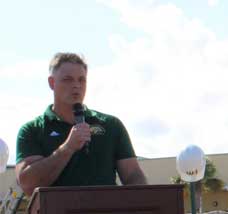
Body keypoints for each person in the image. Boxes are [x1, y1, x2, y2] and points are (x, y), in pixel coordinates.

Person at [15, 52, 147, 196]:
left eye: (81, 80)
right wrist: (67, 148)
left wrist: (141, 202)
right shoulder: (32, 130)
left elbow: (133, 175)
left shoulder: (111, 125)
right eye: (68, 80)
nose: (76, 86)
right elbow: (28, 184)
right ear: (52, 83)